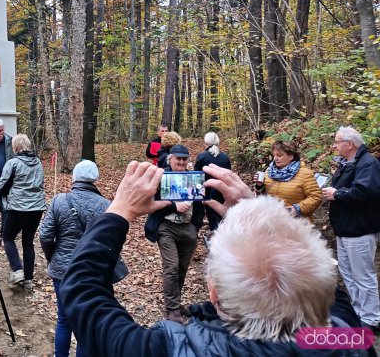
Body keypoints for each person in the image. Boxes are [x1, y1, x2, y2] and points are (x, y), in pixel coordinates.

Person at [60, 162, 370, 356]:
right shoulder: (349, 336)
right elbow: (327, 287)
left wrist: (120, 209)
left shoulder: (165, 349)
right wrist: (262, 213)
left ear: (214, 294)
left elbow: (81, 290)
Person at [39, 160, 108, 357]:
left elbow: (44, 235)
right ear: (95, 179)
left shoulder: (60, 200)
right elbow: (109, 242)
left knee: (64, 318)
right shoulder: (106, 206)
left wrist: (53, 257)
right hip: (91, 272)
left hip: (63, 271)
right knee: (86, 321)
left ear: (74, 178)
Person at [322, 126, 380, 332]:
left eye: (337, 142)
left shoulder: (368, 164)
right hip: (345, 228)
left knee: (363, 275)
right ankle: (358, 313)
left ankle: (372, 319)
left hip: (360, 230)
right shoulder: (348, 163)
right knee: (348, 274)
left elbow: (365, 192)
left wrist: (337, 194)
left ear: (350, 144)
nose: (335, 145)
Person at [144, 144, 203, 323]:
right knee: (171, 267)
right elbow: (151, 201)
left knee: (182, 268)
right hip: (166, 226)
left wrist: (196, 226)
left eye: (184, 158)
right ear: (170, 159)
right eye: (178, 158)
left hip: (188, 227)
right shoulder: (161, 176)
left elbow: (199, 202)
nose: (181, 161)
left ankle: (175, 304)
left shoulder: (193, 177)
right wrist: (173, 205)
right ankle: (172, 309)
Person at [0, 134, 45, 291]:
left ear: (15, 147)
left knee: (7, 238)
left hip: (17, 208)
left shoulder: (13, 163)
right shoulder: (38, 163)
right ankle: (28, 280)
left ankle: (17, 270)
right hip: (36, 209)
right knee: (28, 242)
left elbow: (1, 187)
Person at [254, 140, 322, 222]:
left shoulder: (305, 174)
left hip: (297, 224)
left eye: (279, 155)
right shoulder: (269, 171)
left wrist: (297, 209)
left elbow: (316, 197)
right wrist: (259, 186)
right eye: (274, 155)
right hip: (272, 221)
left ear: (291, 156)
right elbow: (262, 197)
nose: (275, 158)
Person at [194, 132, 231, 231]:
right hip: (223, 190)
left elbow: (197, 176)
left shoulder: (202, 156)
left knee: (212, 216)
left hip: (208, 190)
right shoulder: (225, 157)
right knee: (220, 215)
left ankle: (215, 237)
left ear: (205, 142)